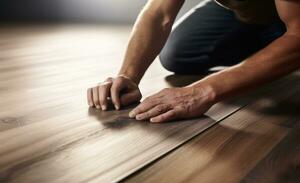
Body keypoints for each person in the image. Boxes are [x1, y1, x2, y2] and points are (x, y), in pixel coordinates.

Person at [87, 0, 300, 123]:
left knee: (292, 40)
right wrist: (127, 74)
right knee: (177, 53)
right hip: (247, 12)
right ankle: (274, 48)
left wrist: (203, 90)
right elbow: (159, 12)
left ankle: (280, 47)